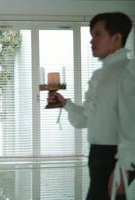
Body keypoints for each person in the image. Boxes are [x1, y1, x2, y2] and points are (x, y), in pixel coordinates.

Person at [48, 12, 135, 200]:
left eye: (97, 34)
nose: (91, 41)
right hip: (97, 155)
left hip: (117, 158)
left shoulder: (128, 72)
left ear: (117, 38)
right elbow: (87, 120)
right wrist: (66, 104)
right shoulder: (100, 76)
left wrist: (125, 167)